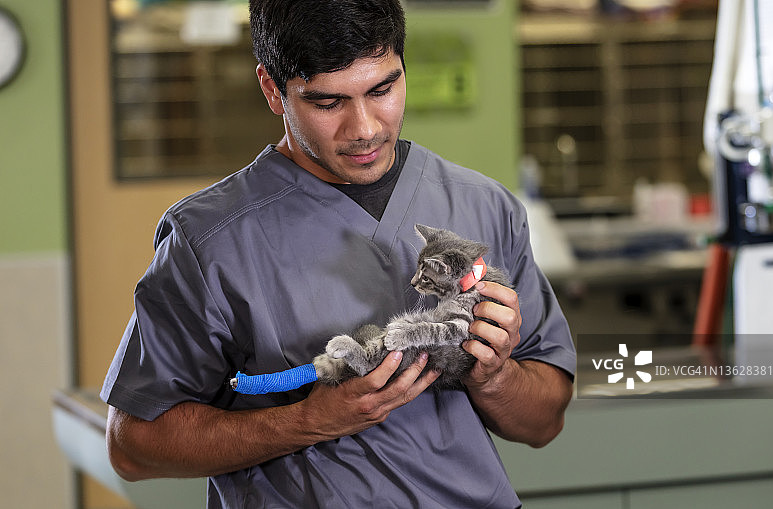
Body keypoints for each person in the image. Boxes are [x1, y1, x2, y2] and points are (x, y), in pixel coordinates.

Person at [101, 1, 576, 507]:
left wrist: (495, 375)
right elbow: (133, 445)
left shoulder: (483, 206)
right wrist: (308, 422)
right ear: (271, 89)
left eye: (383, 89)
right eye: (328, 103)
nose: (365, 128)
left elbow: (544, 423)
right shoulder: (209, 241)